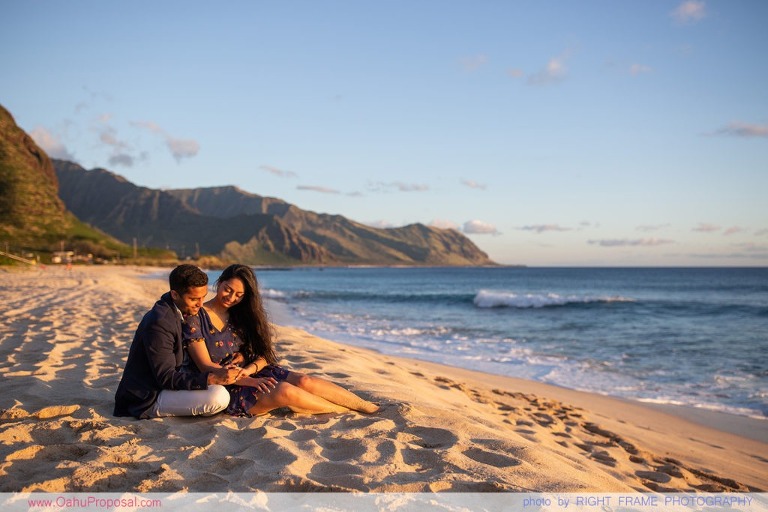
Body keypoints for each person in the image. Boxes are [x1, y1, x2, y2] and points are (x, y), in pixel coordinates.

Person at [183, 264, 379, 416]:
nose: (231, 297)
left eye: (239, 295)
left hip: (253, 371)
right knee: (285, 391)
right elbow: (204, 366)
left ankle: (363, 405)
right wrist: (247, 379)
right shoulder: (195, 317)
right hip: (225, 383)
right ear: (219, 282)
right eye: (228, 289)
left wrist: (249, 368)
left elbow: (264, 355)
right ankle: (342, 411)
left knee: (304, 380)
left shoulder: (242, 315)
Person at [114, 264, 243, 419]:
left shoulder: (180, 311)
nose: (200, 304)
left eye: (203, 297)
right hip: (148, 397)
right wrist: (211, 378)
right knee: (219, 396)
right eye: (194, 299)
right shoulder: (160, 322)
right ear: (175, 294)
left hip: (169, 386)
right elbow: (166, 377)